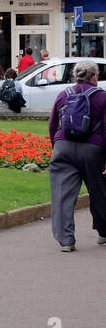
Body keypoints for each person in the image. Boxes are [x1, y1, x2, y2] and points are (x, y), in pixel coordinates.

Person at [47, 61, 106, 252]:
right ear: (95, 77)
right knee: (100, 192)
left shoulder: (64, 94)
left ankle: (66, 240)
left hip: (63, 147)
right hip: (93, 149)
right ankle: (103, 232)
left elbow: (53, 124)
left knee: (62, 195)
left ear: (76, 76)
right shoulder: (102, 97)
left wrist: (57, 147)